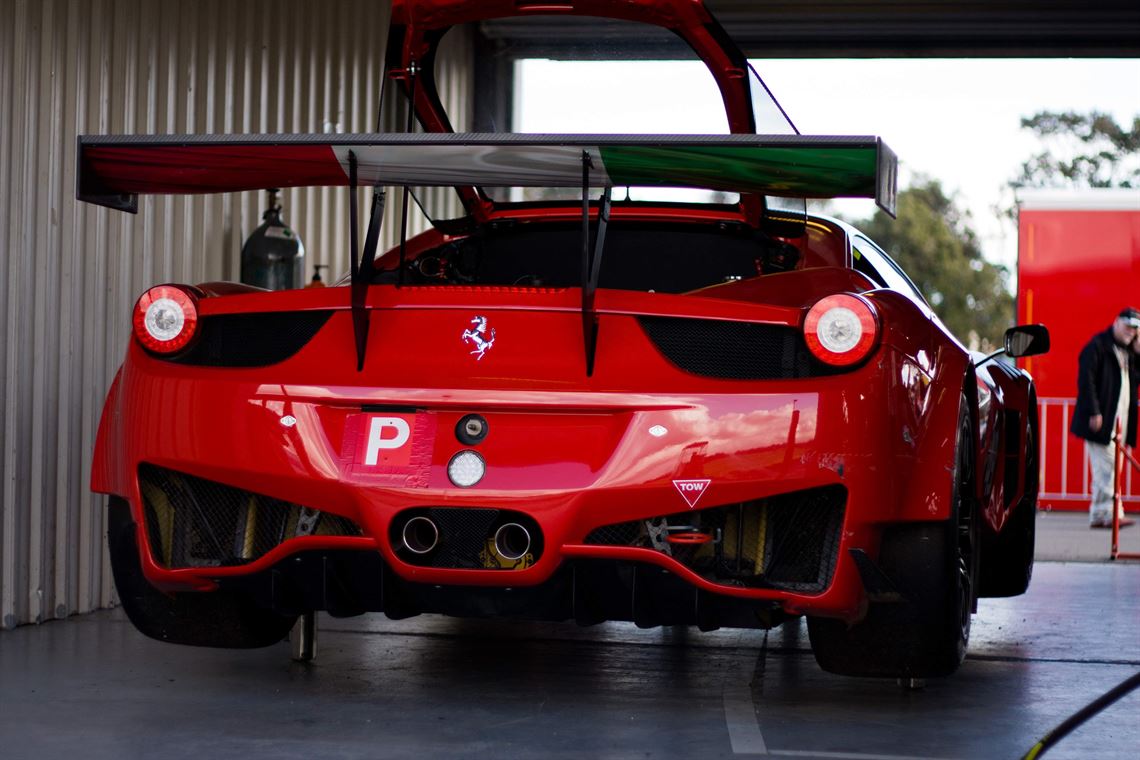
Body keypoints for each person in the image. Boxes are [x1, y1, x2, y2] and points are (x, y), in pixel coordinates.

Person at [1071, 307, 1140, 528]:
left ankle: (1103, 513)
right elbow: (1086, 380)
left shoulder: (1128, 352)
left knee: (1110, 468)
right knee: (1107, 467)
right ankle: (1108, 513)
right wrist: (1094, 411)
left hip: (1119, 422)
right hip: (1102, 420)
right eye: (1128, 326)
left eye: (1136, 329)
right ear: (1116, 322)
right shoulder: (1098, 346)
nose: (1131, 332)